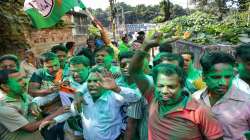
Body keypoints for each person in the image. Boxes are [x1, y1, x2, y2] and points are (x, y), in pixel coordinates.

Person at [40, 66, 141, 140]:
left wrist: (116, 88)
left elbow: (136, 97)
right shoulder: (84, 98)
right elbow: (72, 111)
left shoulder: (114, 97)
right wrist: (55, 120)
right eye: (90, 81)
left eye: (97, 81)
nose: (92, 84)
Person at [148, 64, 224, 140]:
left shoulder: (200, 111)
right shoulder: (153, 100)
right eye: (160, 86)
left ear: (182, 87)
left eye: (171, 87)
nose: (164, 91)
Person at [193, 52, 250, 139]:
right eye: (216, 77)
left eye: (227, 77)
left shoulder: (247, 102)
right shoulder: (195, 99)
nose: (223, 83)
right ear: (204, 76)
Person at [0, 70, 65, 140]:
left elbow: (35, 106)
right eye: (19, 81)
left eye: (22, 78)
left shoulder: (22, 94)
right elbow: (31, 128)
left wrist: (33, 103)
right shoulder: (4, 108)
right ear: (5, 87)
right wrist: (58, 112)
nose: (24, 82)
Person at [116, 51, 151, 140]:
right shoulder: (115, 83)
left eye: (131, 64)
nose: (127, 67)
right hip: (121, 131)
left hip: (145, 128)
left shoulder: (148, 81)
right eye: (123, 64)